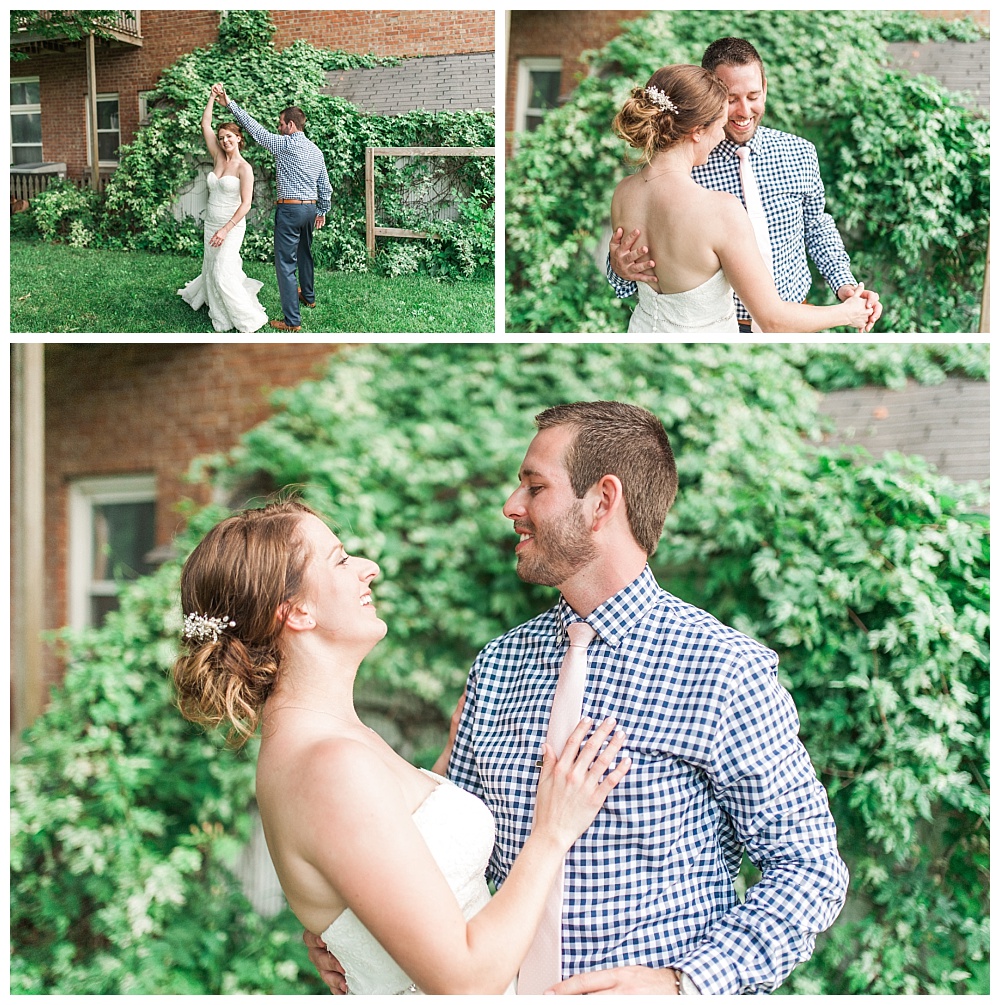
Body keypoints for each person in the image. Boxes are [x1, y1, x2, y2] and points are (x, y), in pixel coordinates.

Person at [307, 400, 849, 995]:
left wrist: (682, 985)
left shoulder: (723, 671)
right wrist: (356, 927)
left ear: (601, 502)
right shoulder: (498, 665)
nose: (511, 506)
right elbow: (450, 852)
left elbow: (810, 868)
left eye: (534, 487)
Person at [172, 498, 631, 995]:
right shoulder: (329, 767)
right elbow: (467, 981)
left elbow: (402, 850)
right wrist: (552, 832)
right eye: (341, 559)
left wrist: (450, 759)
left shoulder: (333, 742)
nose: (369, 569)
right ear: (297, 612)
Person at [608, 38, 883, 334]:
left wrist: (845, 285)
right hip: (740, 327)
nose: (742, 111)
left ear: (765, 86)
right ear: (707, 101)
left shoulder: (799, 152)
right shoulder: (694, 178)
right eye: (730, 99)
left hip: (796, 317)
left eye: (753, 95)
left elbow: (816, 224)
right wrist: (619, 270)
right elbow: (641, 262)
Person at [213, 83, 331, 333]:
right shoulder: (316, 150)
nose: (278, 127)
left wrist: (230, 104)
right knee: (305, 253)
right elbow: (325, 185)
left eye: (280, 124)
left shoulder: (284, 145)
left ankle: (292, 321)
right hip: (310, 210)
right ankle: (308, 296)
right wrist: (322, 210)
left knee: (286, 264)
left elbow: (255, 130)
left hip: (289, 211)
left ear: (290, 125)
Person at [176, 89, 267, 333]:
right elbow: (204, 123)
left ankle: (247, 320)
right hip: (211, 224)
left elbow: (246, 204)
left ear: (239, 138)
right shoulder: (217, 156)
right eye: (222, 137)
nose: (225, 141)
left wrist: (226, 230)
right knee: (211, 267)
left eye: (229, 137)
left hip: (232, 226)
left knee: (222, 271)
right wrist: (212, 97)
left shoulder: (244, 168)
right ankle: (219, 313)